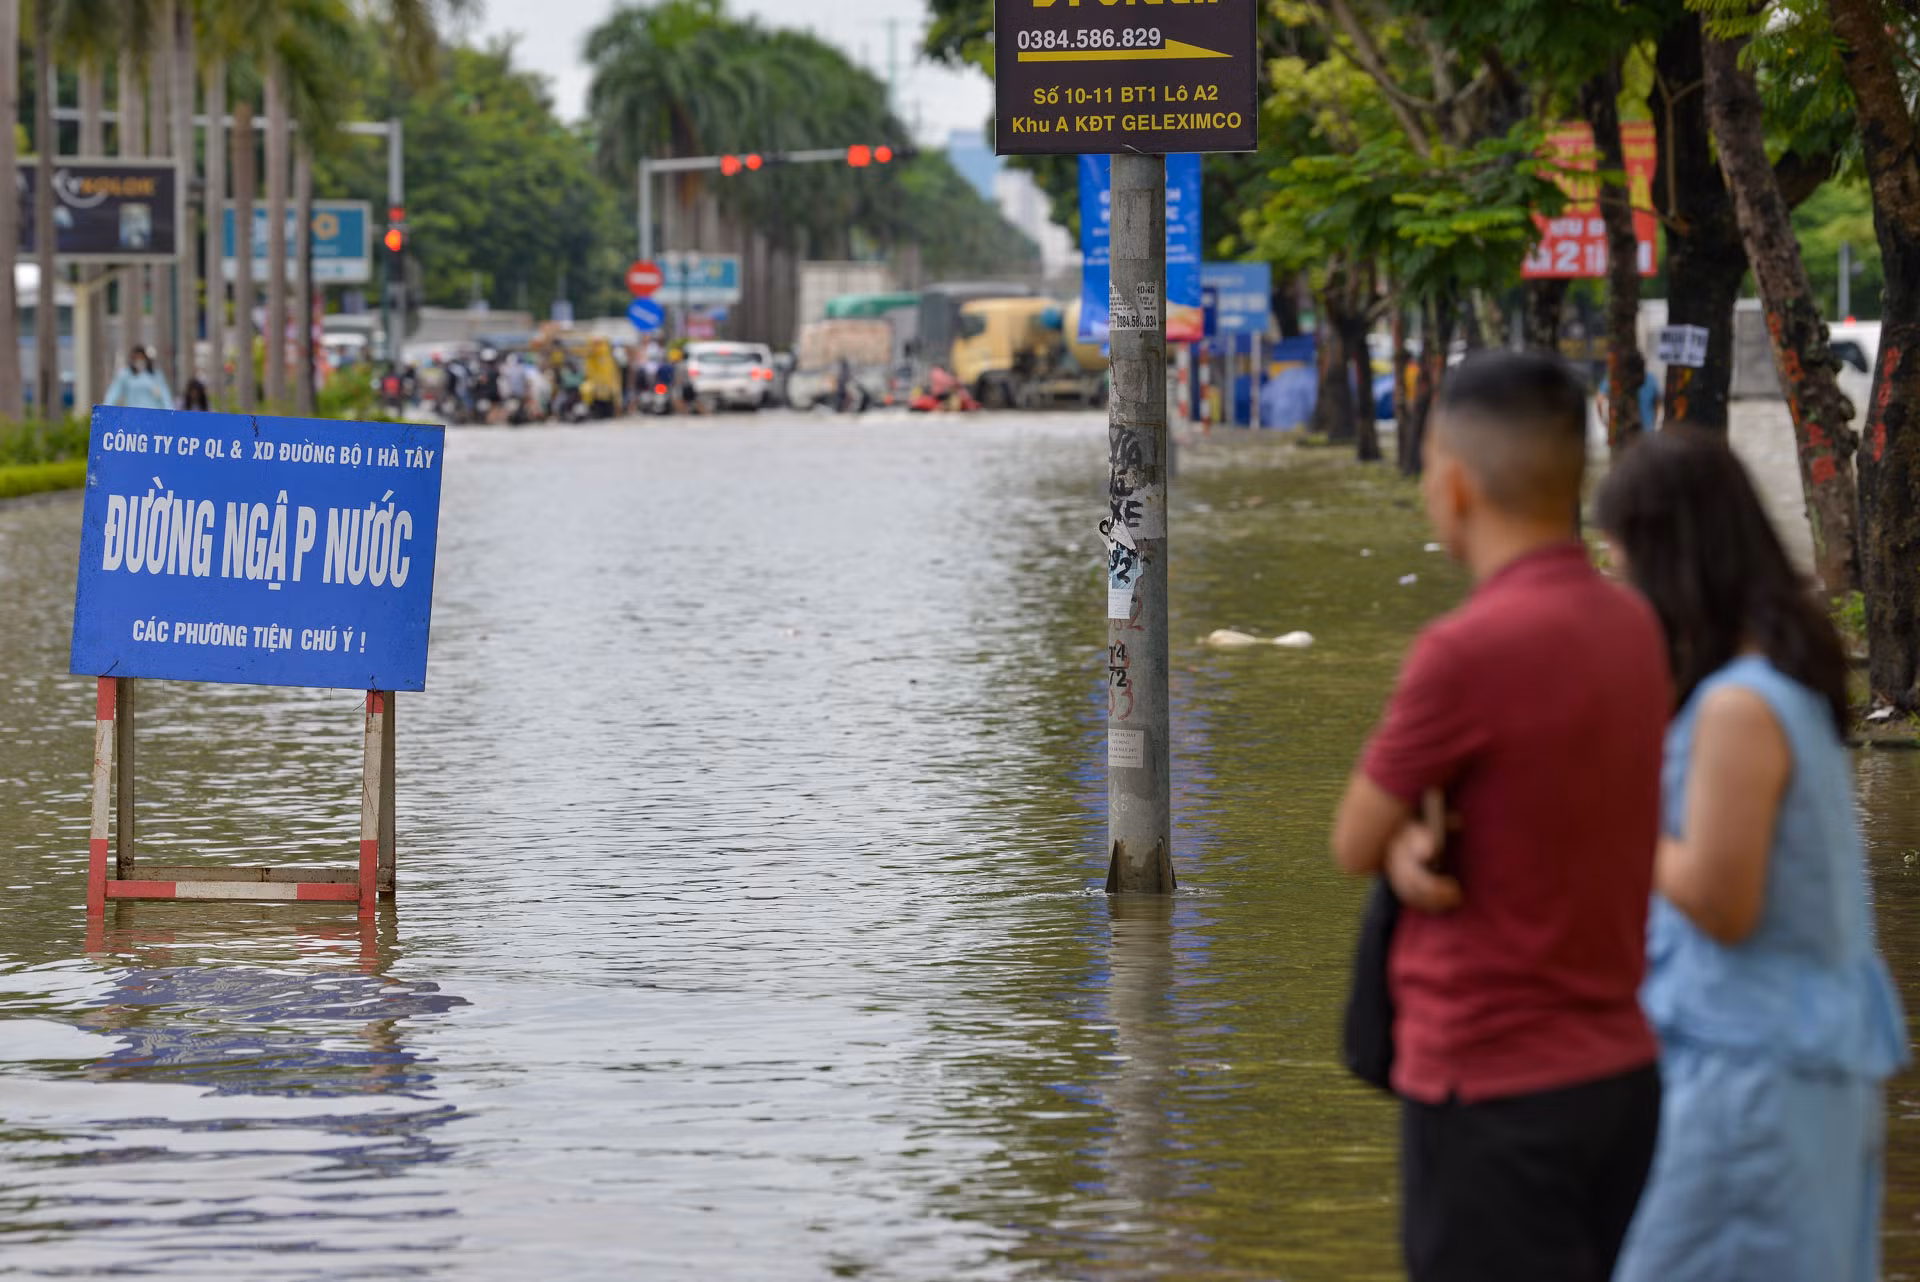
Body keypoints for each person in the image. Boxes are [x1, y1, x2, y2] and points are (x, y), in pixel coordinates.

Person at [1331, 351, 1670, 1282]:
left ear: (1451, 482)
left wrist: (1398, 840)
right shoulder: (1637, 629)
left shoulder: (1464, 652)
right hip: (1622, 1073)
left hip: (1491, 1084)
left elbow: (1352, 838)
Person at [1596, 431, 1908, 1282]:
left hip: (1757, 1076)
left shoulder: (1738, 707)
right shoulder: (1778, 680)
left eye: (1623, 559)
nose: (1620, 583)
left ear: (1668, 555)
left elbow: (1721, 900)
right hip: (1793, 1057)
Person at [103, 346, 173, 410]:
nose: (139, 361)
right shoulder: (126, 375)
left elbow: (165, 395)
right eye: (136, 358)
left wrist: (170, 411)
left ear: (146, 359)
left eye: (141, 358)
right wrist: (105, 408)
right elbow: (114, 392)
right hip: (133, 414)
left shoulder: (155, 375)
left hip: (153, 414)